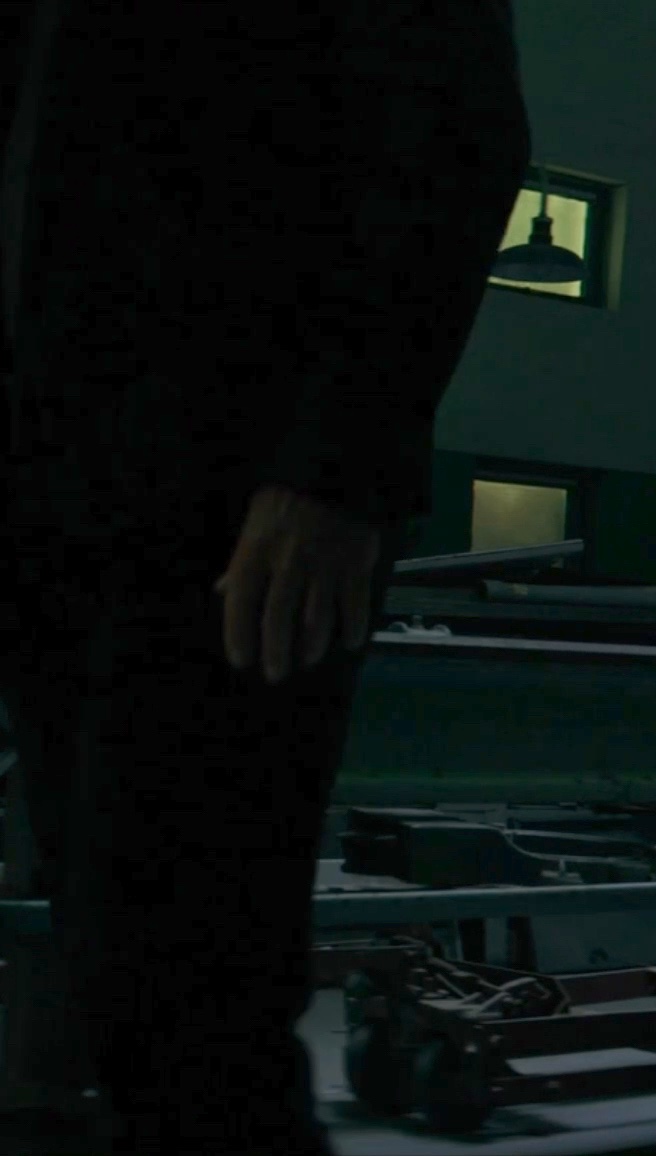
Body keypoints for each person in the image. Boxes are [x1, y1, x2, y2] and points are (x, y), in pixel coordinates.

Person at [0, 2, 531, 1152]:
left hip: (226, 504)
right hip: (59, 489)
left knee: (186, 991)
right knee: (114, 973)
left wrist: (334, 468)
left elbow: (454, 127)